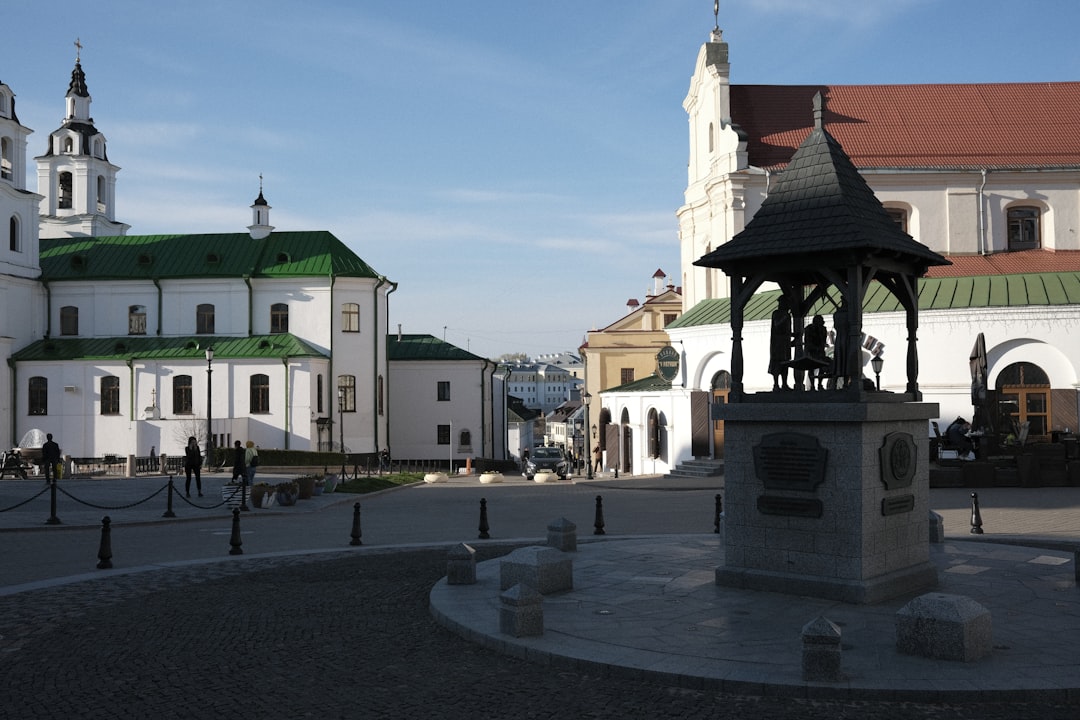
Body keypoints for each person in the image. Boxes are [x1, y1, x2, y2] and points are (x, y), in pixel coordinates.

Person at [768, 295, 793, 390]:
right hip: (777, 343)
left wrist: (793, 336)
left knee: (786, 363)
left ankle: (784, 384)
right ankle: (776, 384)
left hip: (785, 343)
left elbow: (787, 331)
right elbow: (777, 325)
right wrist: (785, 317)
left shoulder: (787, 315)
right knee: (777, 363)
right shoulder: (777, 313)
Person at [803, 315, 828, 390]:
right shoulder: (809, 329)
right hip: (811, 351)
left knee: (822, 368)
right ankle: (813, 385)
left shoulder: (823, 329)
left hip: (819, 351)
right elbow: (807, 341)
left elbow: (823, 339)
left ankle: (819, 384)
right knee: (811, 368)